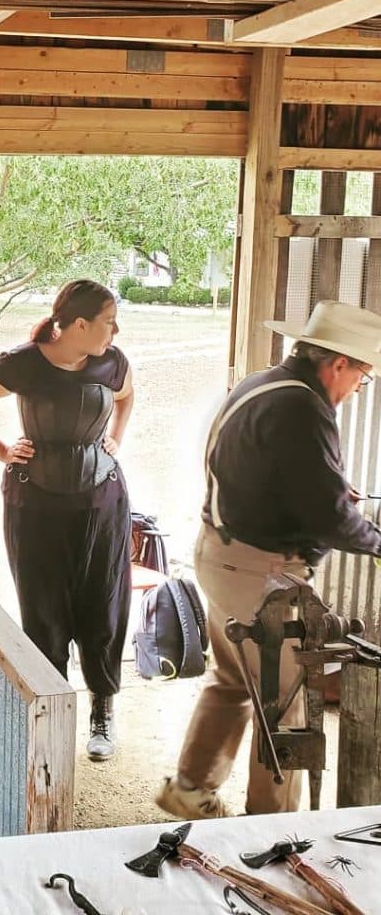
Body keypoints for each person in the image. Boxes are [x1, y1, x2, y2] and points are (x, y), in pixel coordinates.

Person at [157, 300, 381, 820]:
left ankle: (188, 793)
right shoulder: (302, 408)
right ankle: (269, 830)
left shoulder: (262, 385)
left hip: (221, 556)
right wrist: (374, 540)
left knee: (233, 683)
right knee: (282, 708)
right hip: (262, 576)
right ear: (339, 364)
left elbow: (261, 471)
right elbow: (329, 517)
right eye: (362, 378)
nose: (355, 391)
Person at [0, 280, 135, 761]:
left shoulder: (111, 361)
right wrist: (2, 452)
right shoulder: (24, 362)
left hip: (102, 503)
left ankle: (102, 711)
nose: (114, 331)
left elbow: (126, 397)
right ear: (78, 325)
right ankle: (50, 716)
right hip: (35, 506)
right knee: (44, 612)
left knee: (103, 606)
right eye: (108, 322)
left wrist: (114, 436)